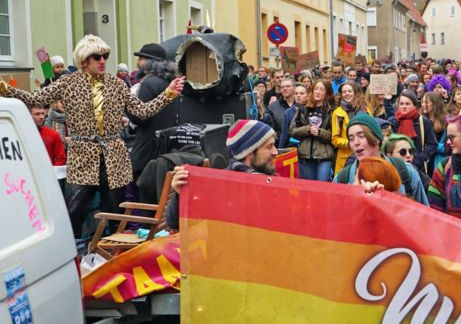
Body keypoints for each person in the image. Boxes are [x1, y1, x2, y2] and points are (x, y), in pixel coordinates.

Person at [0, 34, 185, 240]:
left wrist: (168, 94)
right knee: (73, 213)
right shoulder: (67, 83)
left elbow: (141, 111)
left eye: (105, 55)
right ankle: (72, 254)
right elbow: (36, 98)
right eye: (97, 56)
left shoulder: (117, 85)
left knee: (116, 214)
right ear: (84, 60)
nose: (103, 60)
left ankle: (113, 255)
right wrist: (6, 89)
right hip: (83, 157)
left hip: (114, 157)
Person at [167, 120, 278, 228]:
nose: (275, 152)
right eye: (269, 147)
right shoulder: (220, 186)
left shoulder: (271, 178)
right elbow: (175, 223)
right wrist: (181, 195)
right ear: (249, 152)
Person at [333, 113, 429, 204]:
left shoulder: (406, 171)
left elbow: (426, 215)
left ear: (377, 138)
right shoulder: (342, 179)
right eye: (351, 138)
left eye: (361, 136)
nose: (356, 142)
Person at [128, 42, 180, 179]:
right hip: (165, 150)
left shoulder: (148, 83)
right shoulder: (169, 82)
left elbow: (140, 117)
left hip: (147, 152)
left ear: (151, 62)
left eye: (141, 58)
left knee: (144, 197)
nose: (138, 62)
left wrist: (127, 110)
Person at [289, 80, 335, 181]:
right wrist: (307, 129)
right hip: (305, 155)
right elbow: (292, 130)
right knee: (308, 188)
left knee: (321, 186)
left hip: (324, 156)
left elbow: (334, 135)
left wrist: (319, 132)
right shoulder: (303, 109)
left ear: (327, 93)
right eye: (316, 89)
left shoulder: (331, 111)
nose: (318, 92)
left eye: (321, 89)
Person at [388, 89, 437, 174]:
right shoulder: (393, 121)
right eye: (401, 104)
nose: (404, 106)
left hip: (417, 166)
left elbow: (433, 144)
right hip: (396, 165)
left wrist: (419, 158)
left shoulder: (423, 121)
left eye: (407, 104)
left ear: (414, 105)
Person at [331, 81, 370, 173]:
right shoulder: (337, 112)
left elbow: (371, 130)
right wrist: (350, 143)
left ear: (355, 92)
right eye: (344, 92)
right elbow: (334, 139)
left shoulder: (366, 109)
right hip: (346, 157)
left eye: (349, 91)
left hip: (365, 154)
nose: (347, 94)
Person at [421, 92, 448, 175]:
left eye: (426, 102)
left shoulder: (446, 122)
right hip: (425, 161)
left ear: (435, 104)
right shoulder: (421, 120)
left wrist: (433, 146)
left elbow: (448, 147)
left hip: (438, 161)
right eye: (422, 102)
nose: (423, 105)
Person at [279, 82, 309, 149]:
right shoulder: (288, 112)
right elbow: (284, 134)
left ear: (307, 95)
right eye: (296, 93)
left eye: (302, 93)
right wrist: (281, 151)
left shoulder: (311, 110)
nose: (298, 95)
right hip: (293, 147)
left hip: (308, 148)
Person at [267, 76, 296, 141]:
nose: (285, 89)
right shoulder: (272, 107)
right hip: (281, 145)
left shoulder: (301, 105)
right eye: (282, 87)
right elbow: (270, 129)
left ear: (294, 88)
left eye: (288, 86)